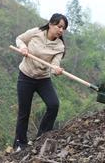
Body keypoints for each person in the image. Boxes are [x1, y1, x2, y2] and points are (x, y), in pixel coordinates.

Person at [12, 13, 68, 151]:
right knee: (24, 111)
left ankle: (42, 137)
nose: (61, 30)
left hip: (43, 79)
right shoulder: (36, 32)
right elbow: (19, 39)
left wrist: (57, 70)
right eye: (59, 26)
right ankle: (20, 143)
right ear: (50, 24)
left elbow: (55, 64)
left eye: (64, 28)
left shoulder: (60, 46)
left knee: (54, 104)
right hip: (26, 76)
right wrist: (23, 48)